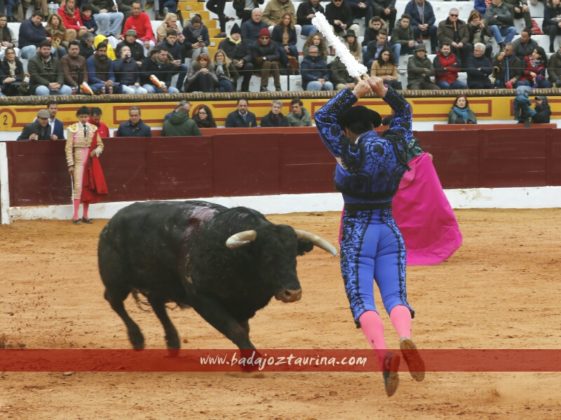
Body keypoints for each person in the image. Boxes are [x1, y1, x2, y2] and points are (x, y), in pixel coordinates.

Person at [314, 76, 424, 397]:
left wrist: (354, 92)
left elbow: (322, 117)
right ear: (374, 126)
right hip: (389, 229)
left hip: (358, 230)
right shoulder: (396, 142)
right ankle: (404, 335)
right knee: (395, 296)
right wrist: (383, 92)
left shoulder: (346, 149)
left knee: (363, 298)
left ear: (348, 130)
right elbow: (403, 111)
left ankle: (383, 354)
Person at [65, 106, 107, 224]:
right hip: (78, 161)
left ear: (88, 117)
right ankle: (75, 216)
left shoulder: (93, 128)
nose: (84, 119)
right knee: (78, 187)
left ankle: (85, 215)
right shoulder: (71, 129)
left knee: (88, 188)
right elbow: (68, 148)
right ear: (78, 117)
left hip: (90, 161)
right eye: (81, 117)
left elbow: (101, 145)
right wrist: (70, 164)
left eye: (85, 116)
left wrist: (96, 151)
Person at [218, 23, 254, 92]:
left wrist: (243, 60)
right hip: (229, 64)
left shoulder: (245, 42)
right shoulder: (224, 43)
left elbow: (249, 54)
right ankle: (233, 89)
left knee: (250, 66)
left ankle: (245, 88)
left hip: (242, 64)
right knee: (231, 67)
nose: (237, 35)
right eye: (235, 33)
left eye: (238, 33)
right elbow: (221, 55)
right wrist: (233, 61)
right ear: (231, 34)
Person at [251, 28, 282, 92]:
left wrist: (266, 57)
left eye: (266, 38)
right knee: (267, 63)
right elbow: (255, 59)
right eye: (262, 38)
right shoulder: (255, 45)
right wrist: (266, 59)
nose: (264, 40)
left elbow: (277, 55)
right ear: (259, 38)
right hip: (259, 68)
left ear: (269, 38)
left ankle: (278, 87)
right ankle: (263, 87)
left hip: (272, 67)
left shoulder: (274, 44)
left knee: (274, 63)